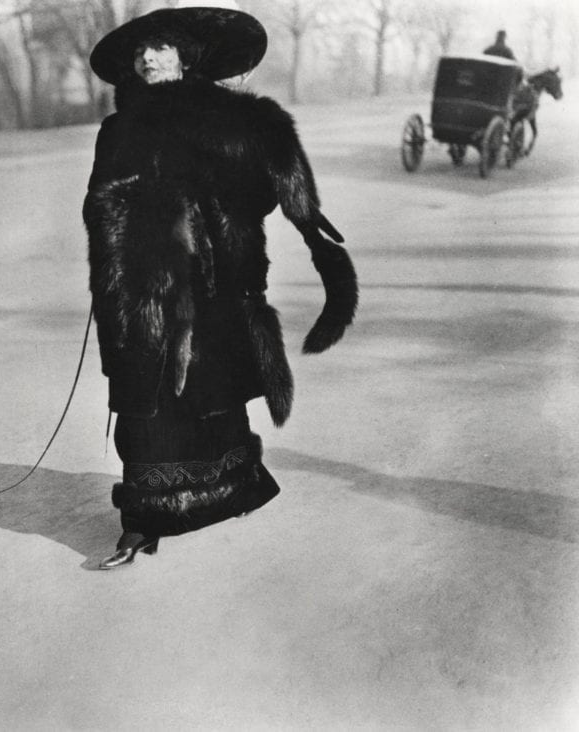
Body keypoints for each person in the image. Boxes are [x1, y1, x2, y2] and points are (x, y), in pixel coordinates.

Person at [83, 3, 358, 569]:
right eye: (141, 51)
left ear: (186, 57)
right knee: (147, 408)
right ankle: (141, 523)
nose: (149, 58)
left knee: (213, 394)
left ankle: (230, 489)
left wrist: (315, 238)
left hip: (215, 290)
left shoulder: (229, 118)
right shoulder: (118, 130)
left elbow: (267, 167)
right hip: (142, 296)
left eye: (161, 47)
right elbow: (100, 207)